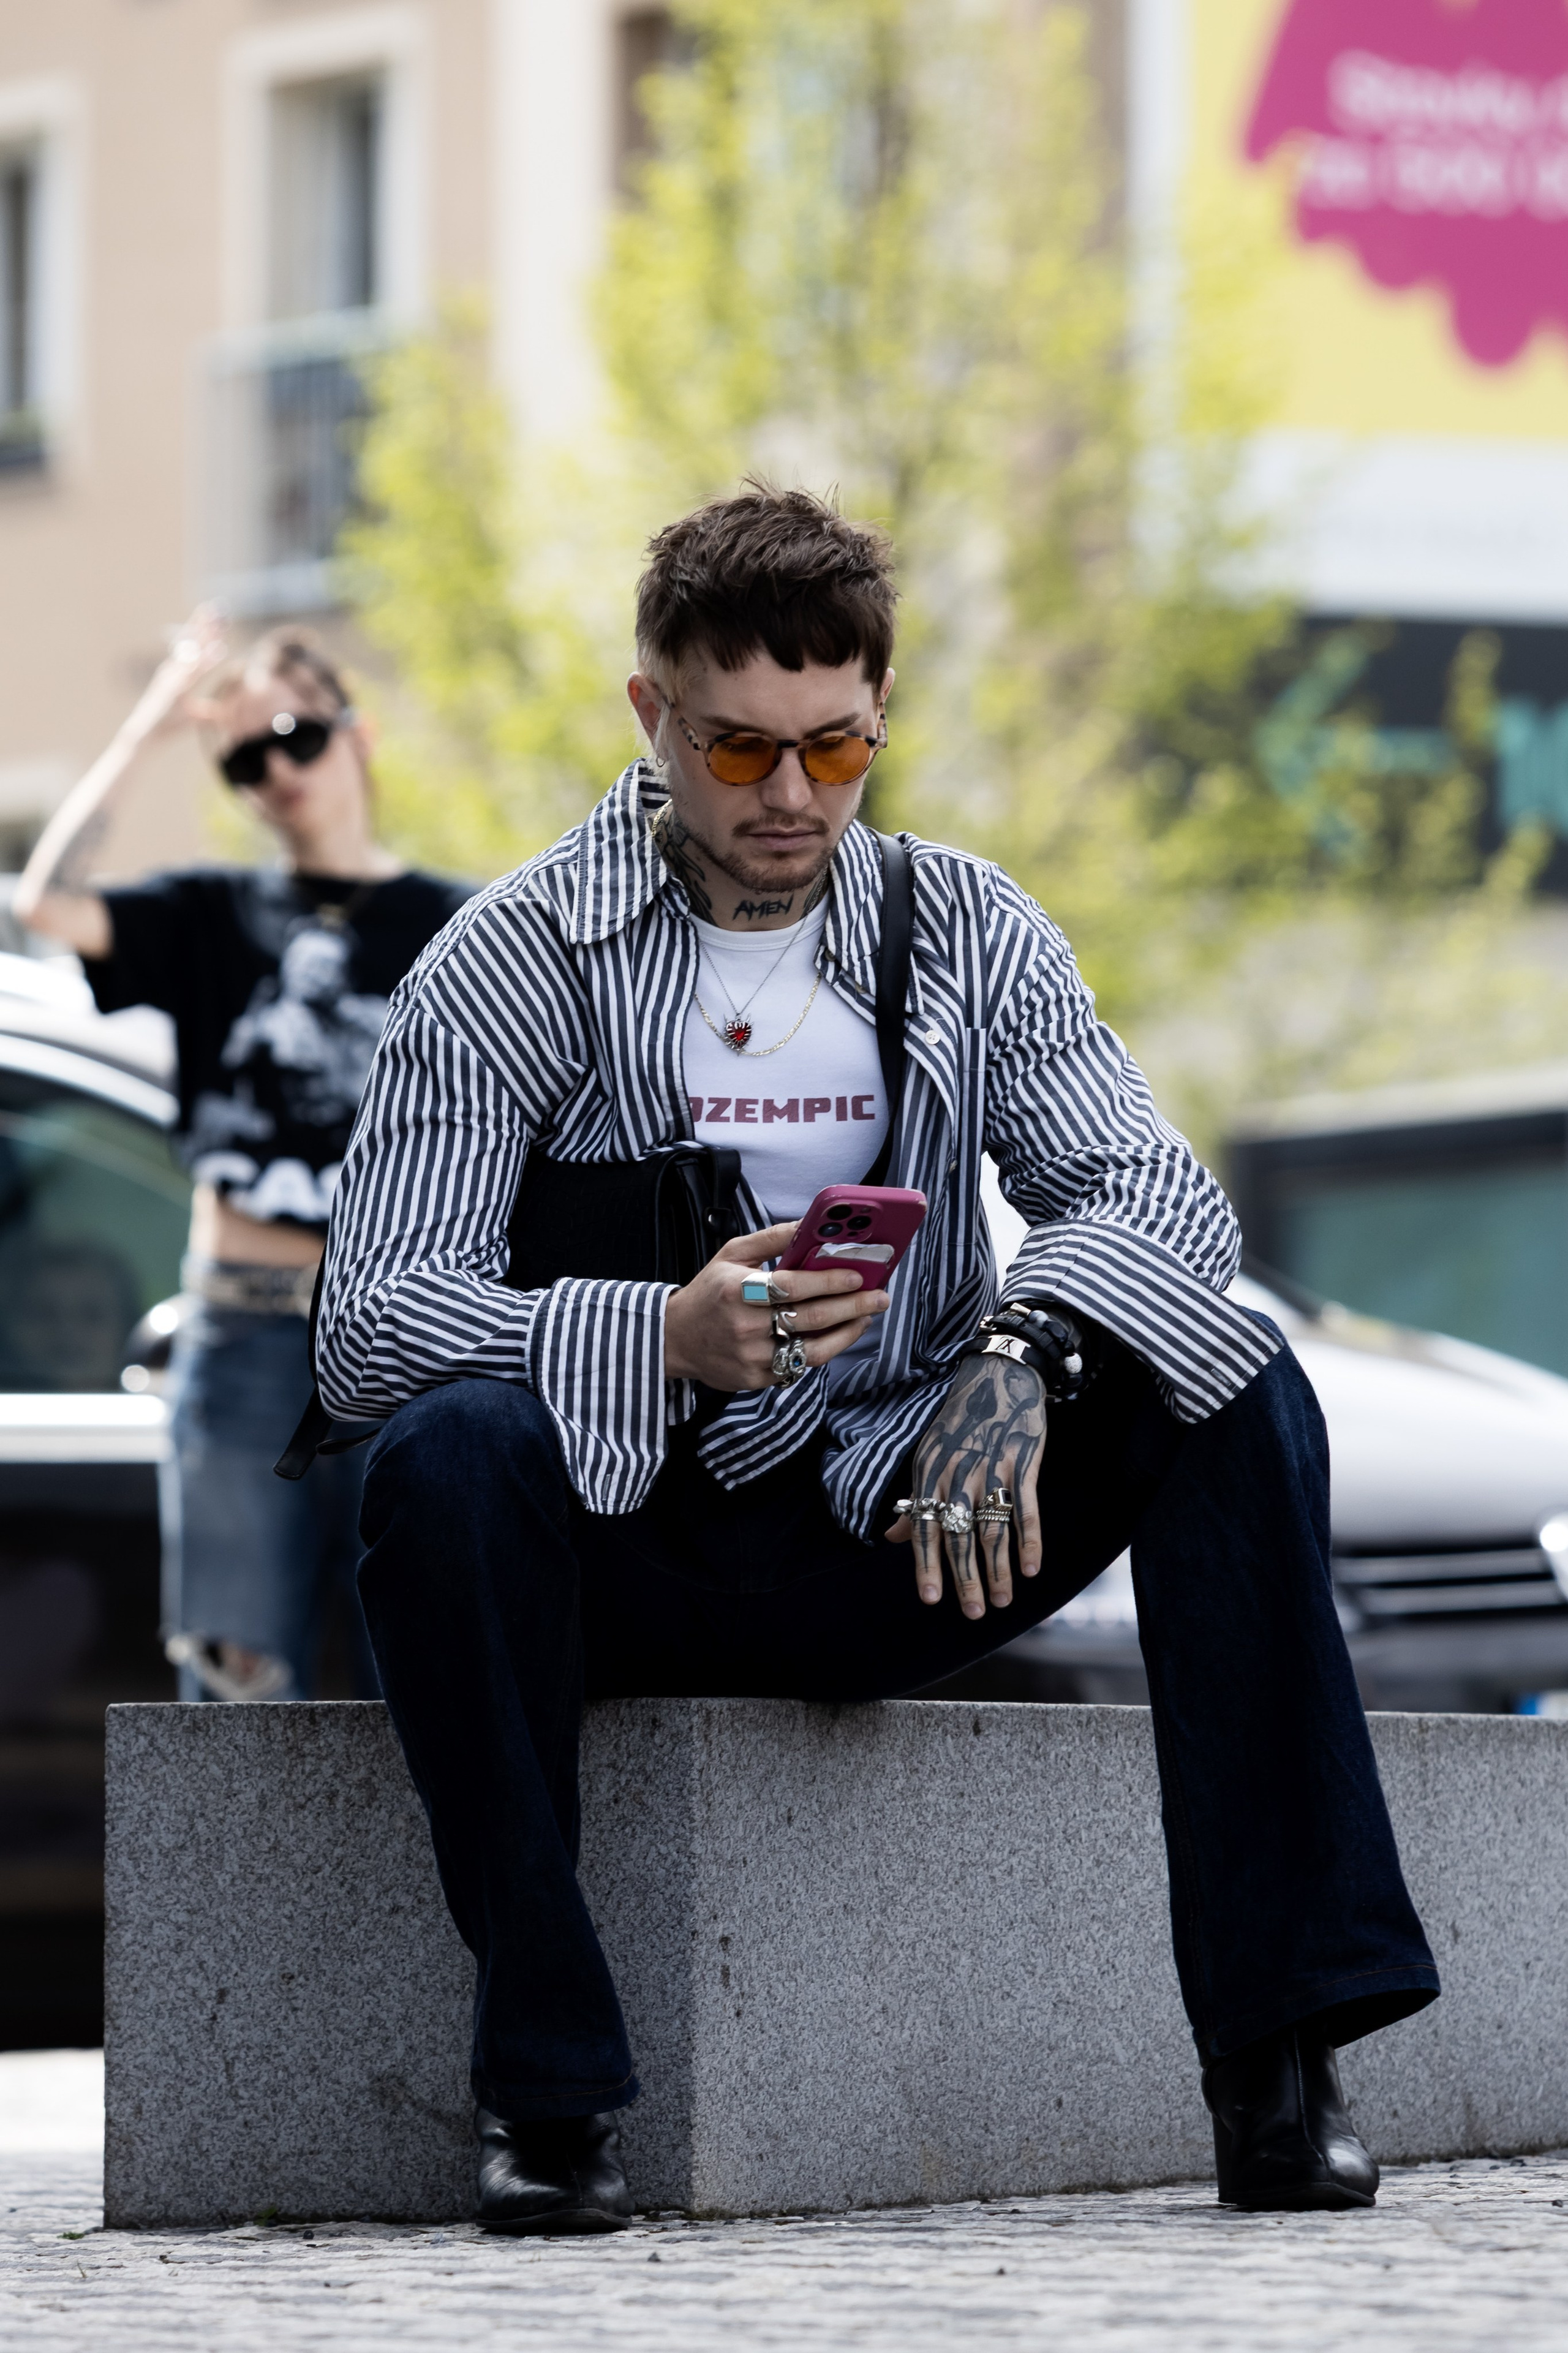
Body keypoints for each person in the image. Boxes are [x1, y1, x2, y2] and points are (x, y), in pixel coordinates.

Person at [316, 483, 1439, 2234]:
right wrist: (656, 1330)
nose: (790, 796)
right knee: (439, 1459)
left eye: (835, 749)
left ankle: (1279, 2067)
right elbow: (371, 1316)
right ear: (650, 714)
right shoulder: (512, 960)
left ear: (879, 719)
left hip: (907, 1523)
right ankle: (546, 2091)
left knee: (1227, 1371)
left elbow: (1157, 1193)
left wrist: (1026, 1343)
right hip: (625, 1538)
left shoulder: (968, 928)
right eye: (740, 748)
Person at [13, 616, 473, 1704]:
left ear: (356, 733)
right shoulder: (210, 912)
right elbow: (42, 904)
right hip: (241, 1334)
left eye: (295, 736)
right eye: (244, 758)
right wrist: (150, 727)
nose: (275, 770)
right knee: (235, 1691)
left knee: (415, 1674)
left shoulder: (455, 922)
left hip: (400, 1328)